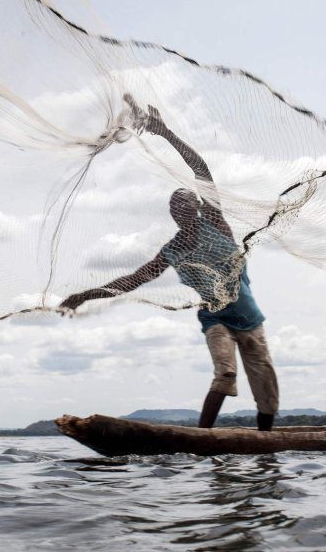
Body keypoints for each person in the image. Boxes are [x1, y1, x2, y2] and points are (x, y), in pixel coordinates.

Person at [59, 95, 279, 431]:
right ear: (173, 216)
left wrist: (165, 133)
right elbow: (132, 281)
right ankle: (203, 436)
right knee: (226, 373)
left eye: (189, 203)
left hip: (251, 321)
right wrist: (85, 295)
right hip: (215, 319)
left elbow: (200, 168)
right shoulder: (173, 250)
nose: (184, 209)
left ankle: (266, 443)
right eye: (177, 207)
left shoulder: (217, 224)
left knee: (266, 390)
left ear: (198, 207)